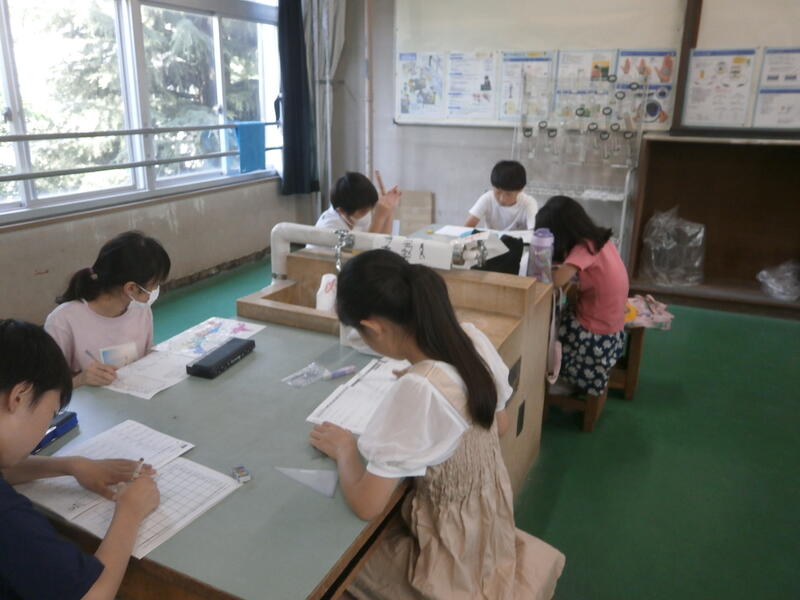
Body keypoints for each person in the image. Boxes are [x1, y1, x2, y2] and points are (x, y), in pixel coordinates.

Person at [309, 250, 565, 599]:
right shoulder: (470, 339)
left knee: (328, 565)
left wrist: (345, 450)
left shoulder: (420, 390)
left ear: (373, 327)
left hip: (449, 558)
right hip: (487, 535)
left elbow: (367, 504)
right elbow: (500, 424)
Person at [0, 319, 159, 600]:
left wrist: (69, 465)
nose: (46, 426)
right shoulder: (7, 516)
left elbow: (5, 470)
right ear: (19, 396)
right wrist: (130, 510)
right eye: (51, 413)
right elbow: (92, 596)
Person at [44, 231, 171, 388]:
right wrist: (81, 380)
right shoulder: (62, 321)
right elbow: (46, 387)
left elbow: (146, 355)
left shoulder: (141, 311)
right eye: (155, 285)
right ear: (131, 288)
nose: (155, 290)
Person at [534, 196, 629, 396]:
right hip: (613, 327)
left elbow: (556, 280)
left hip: (595, 335)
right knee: (559, 311)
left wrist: (541, 263)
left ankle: (560, 381)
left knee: (546, 327)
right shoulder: (598, 239)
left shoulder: (583, 249)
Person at [313, 171, 401, 235]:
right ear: (341, 211)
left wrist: (390, 208)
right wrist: (378, 219)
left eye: (369, 210)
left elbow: (383, 241)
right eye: (363, 211)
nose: (367, 213)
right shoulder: (330, 227)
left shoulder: (359, 213)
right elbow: (364, 253)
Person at [465, 160, 537, 231]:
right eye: (498, 192)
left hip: (517, 239)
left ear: (520, 190)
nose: (502, 199)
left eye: (508, 194)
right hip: (491, 238)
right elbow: (467, 227)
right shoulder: (487, 198)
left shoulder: (528, 203)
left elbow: (533, 232)